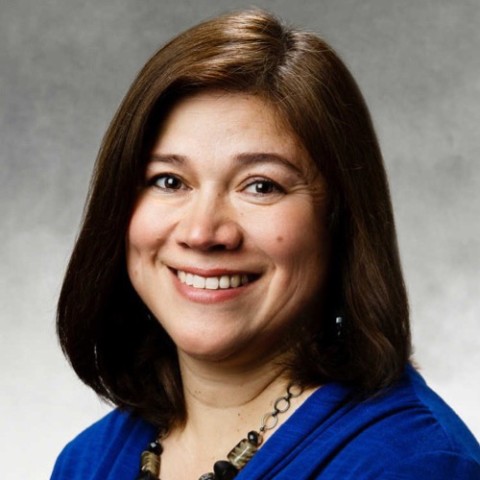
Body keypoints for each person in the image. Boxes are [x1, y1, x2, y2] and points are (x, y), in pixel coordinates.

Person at [50, 9, 480, 480]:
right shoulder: (86, 462)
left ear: (339, 219)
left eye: (261, 186)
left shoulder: (411, 464)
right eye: (169, 180)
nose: (202, 232)